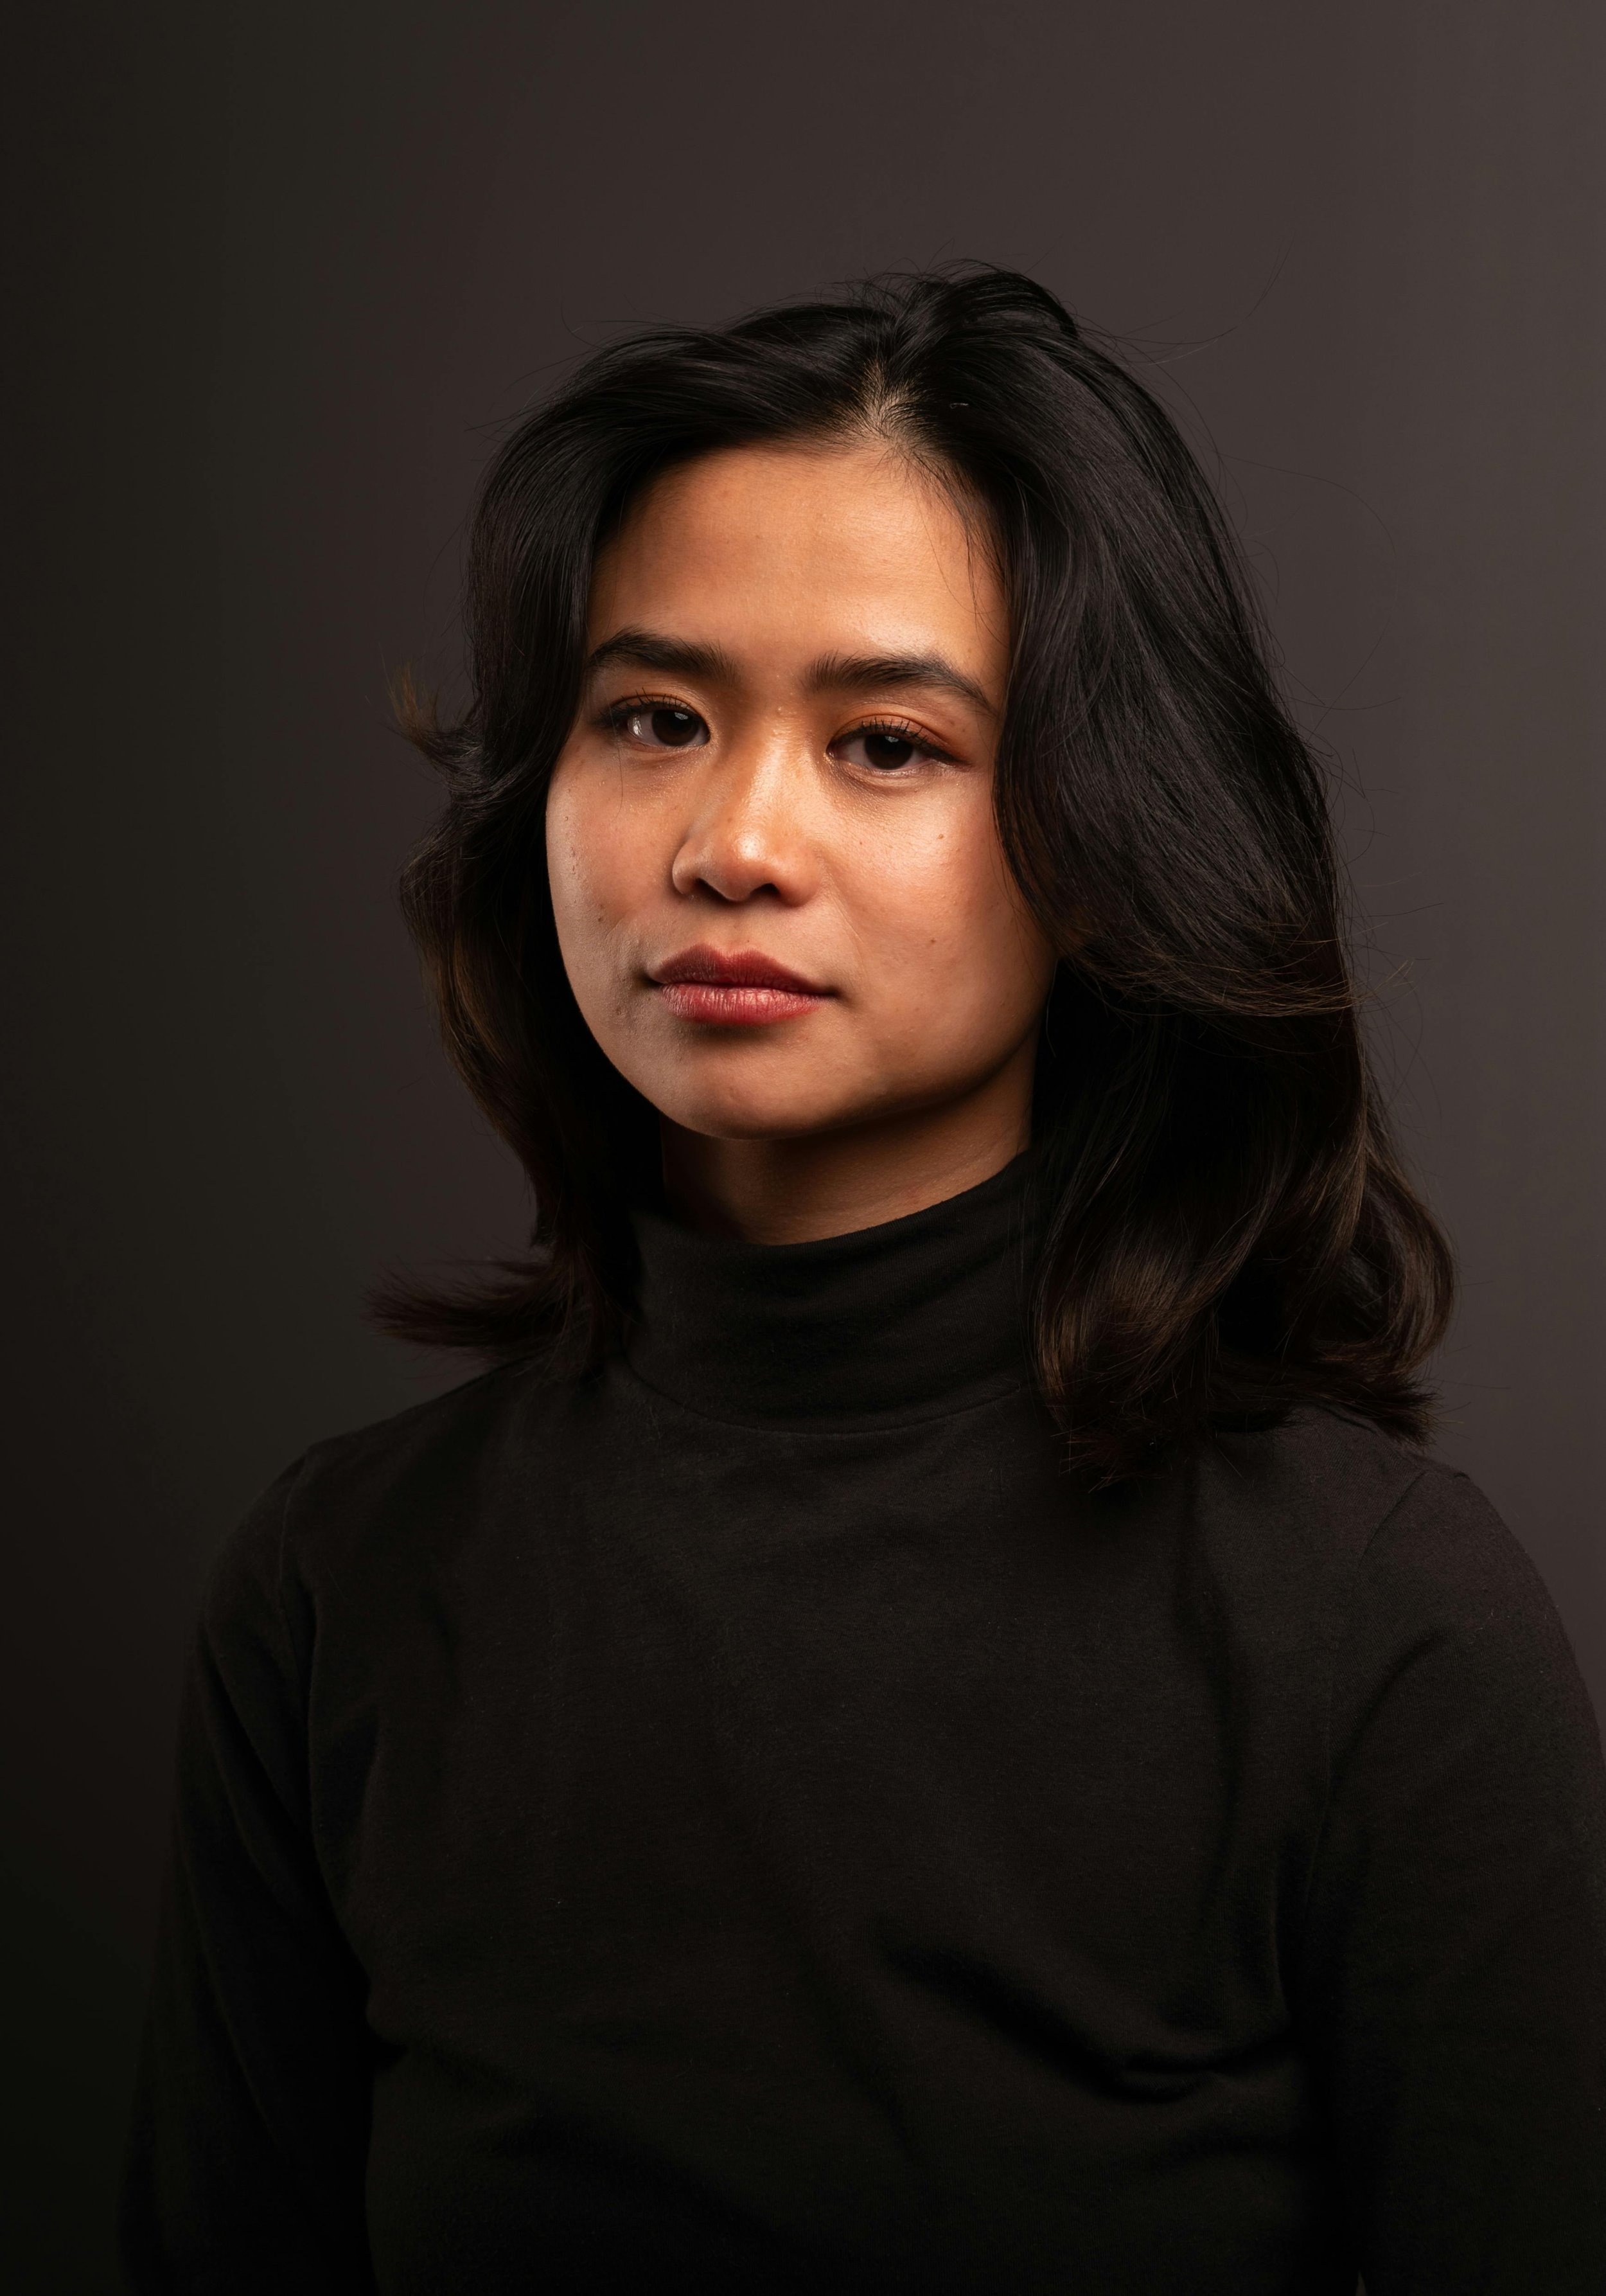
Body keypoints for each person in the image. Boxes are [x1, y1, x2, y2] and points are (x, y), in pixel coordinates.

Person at [121, 268, 1606, 2294]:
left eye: (888, 743)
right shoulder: (344, 1588)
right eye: (650, 718)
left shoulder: (1371, 1624)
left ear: (1100, 840)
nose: (731, 842)